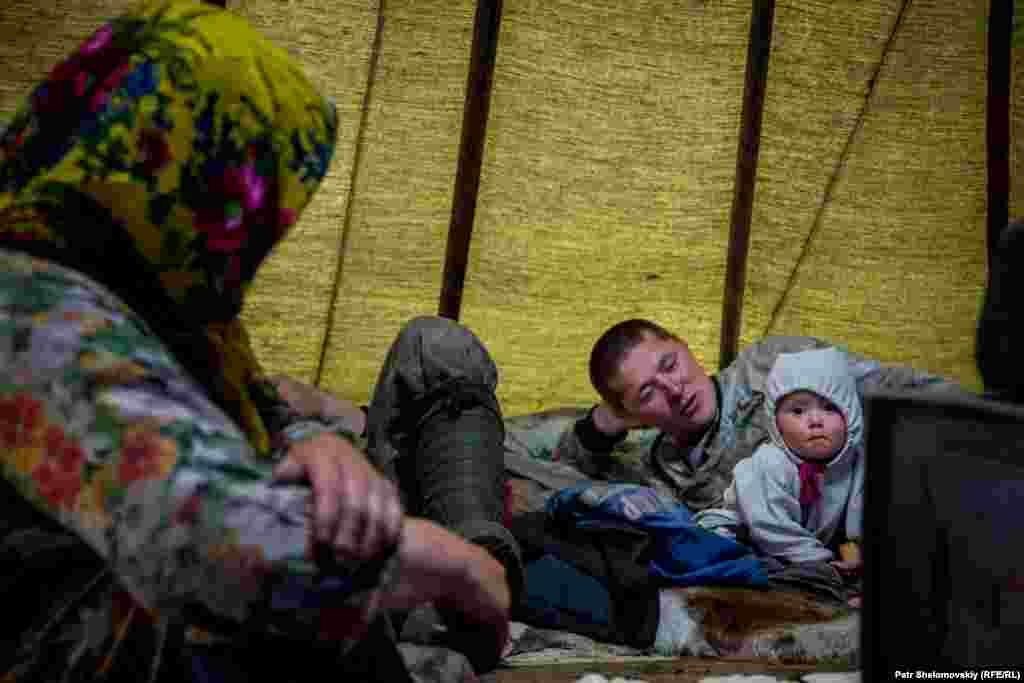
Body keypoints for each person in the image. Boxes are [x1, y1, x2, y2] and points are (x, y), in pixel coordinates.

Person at [0, 3, 515, 681]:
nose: (252, 229)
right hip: (138, 614)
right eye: (241, 190)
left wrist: (312, 444)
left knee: (438, 345)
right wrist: (460, 568)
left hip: (391, 519)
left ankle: (466, 568)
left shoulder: (177, 310)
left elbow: (250, 423)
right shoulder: (24, 305)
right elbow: (216, 544)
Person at [558, 319, 961, 514]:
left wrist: (990, 420)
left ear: (685, 346)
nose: (673, 388)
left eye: (670, 363)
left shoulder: (769, 366)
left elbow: (887, 385)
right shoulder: (658, 470)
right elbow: (559, 473)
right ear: (632, 414)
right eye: (648, 392)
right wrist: (604, 424)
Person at [701, 347, 865, 605]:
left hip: (806, 552)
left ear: (851, 415)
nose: (815, 421)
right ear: (775, 421)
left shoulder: (856, 465)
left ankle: (828, 589)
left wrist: (855, 554)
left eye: (830, 408)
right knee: (714, 546)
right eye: (798, 411)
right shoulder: (768, 464)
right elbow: (771, 527)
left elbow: (857, 522)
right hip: (753, 537)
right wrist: (824, 564)